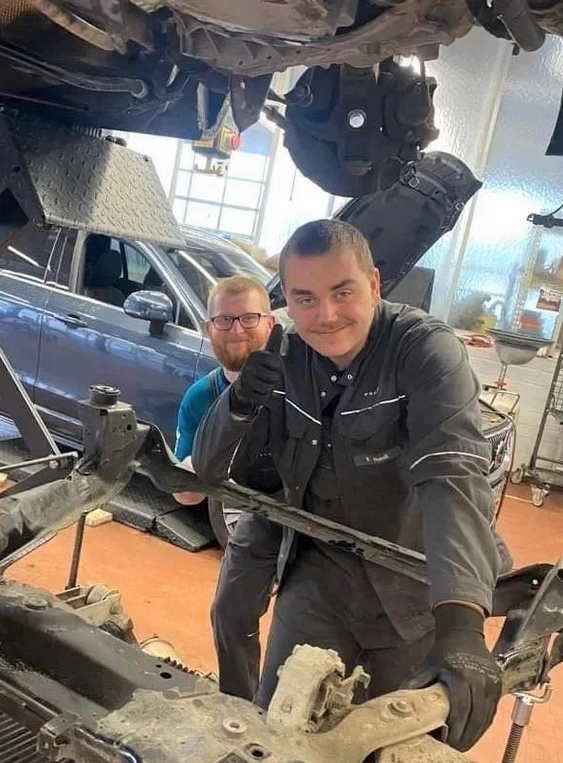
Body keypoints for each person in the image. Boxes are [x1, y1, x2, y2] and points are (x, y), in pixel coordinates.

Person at [193, 219, 511, 752]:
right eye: (305, 299)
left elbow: (452, 475)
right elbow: (207, 469)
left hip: (413, 589)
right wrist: (240, 402)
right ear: (288, 301)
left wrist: (461, 624)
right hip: (318, 579)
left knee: (391, 746)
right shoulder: (285, 356)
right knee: (278, 735)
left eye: (342, 292)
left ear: (374, 283)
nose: (326, 315)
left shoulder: (423, 350)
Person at [173, 275, 282, 699]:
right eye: (224, 320)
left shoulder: (304, 382)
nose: (237, 330)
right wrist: (193, 470)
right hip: (255, 516)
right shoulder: (200, 398)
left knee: (305, 622)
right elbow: (186, 493)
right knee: (230, 613)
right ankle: (240, 707)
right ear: (208, 328)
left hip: (312, 509)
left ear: (271, 324)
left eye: (249, 318)